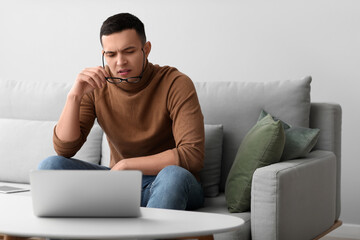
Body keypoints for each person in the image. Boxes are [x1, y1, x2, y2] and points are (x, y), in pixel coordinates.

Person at [38, 13, 205, 210]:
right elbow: (65, 149)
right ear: (103, 55)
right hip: (120, 184)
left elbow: (192, 155)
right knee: (50, 167)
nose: (120, 61)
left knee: (173, 175)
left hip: (172, 184)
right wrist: (74, 96)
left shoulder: (175, 83)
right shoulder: (96, 86)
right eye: (111, 54)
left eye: (129, 51)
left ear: (146, 49)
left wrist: (127, 165)